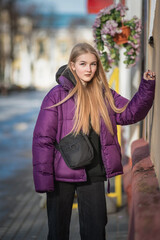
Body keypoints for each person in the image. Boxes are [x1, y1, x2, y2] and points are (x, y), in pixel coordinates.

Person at [32, 42, 156, 240]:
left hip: (94, 174)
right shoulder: (56, 96)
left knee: (95, 232)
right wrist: (43, 181)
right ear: (72, 65)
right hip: (60, 177)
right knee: (57, 233)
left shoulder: (104, 94)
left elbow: (130, 113)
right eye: (83, 64)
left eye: (93, 64)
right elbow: (42, 140)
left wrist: (147, 87)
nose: (88, 69)